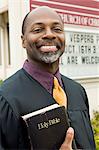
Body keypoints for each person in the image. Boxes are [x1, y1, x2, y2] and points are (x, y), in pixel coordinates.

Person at [0, 6, 95, 149]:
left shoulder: (77, 91)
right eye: (38, 30)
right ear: (23, 41)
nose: (49, 35)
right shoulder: (5, 98)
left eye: (57, 29)